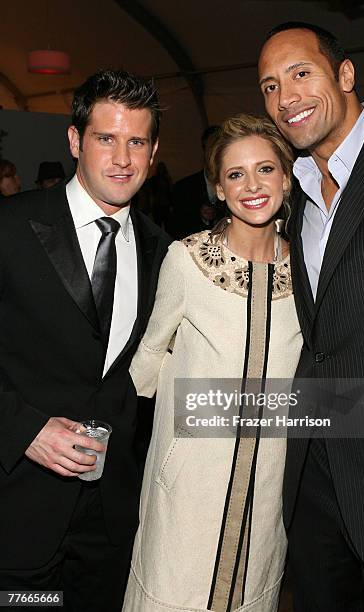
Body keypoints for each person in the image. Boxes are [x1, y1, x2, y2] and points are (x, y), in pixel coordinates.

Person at [258, 21, 364, 610]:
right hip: (315, 485)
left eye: (301, 74)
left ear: (345, 73)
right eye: (271, 87)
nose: (286, 98)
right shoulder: (296, 190)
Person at [0, 69, 170, 611]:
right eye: (106, 138)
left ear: (153, 150)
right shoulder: (9, 226)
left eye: (136, 141)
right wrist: (24, 428)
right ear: (75, 140)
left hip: (111, 520)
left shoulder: (165, 253)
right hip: (18, 506)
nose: (122, 157)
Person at [123, 113, 303, 612]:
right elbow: (148, 361)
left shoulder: (308, 269)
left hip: (268, 488)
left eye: (265, 170)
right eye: (236, 174)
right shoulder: (186, 259)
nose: (252, 186)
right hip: (188, 486)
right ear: (218, 189)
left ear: (286, 180)